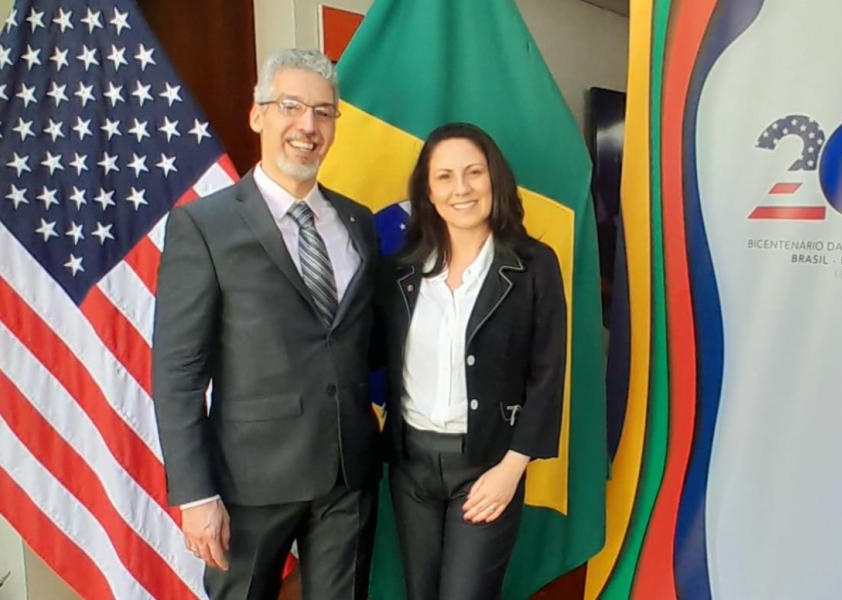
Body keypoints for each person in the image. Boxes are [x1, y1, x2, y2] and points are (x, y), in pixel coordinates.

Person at [151, 49, 380, 600]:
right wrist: (195, 494)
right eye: (291, 106)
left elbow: (366, 340)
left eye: (324, 112)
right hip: (248, 485)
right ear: (258, 116)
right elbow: (178, 372)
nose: (308, 126)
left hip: (348, 476)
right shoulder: (203, 225)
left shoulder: (357, 222)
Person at [377, 122, 566, 599]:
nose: (461, 188)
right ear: (427, 191)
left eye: (473, 173)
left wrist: (512, 469)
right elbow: (371, 354)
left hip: (487, 467)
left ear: (494, 180)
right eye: (444, 176)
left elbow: (548, 373)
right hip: (411, 467)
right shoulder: (401, 270)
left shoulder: (532, 265)